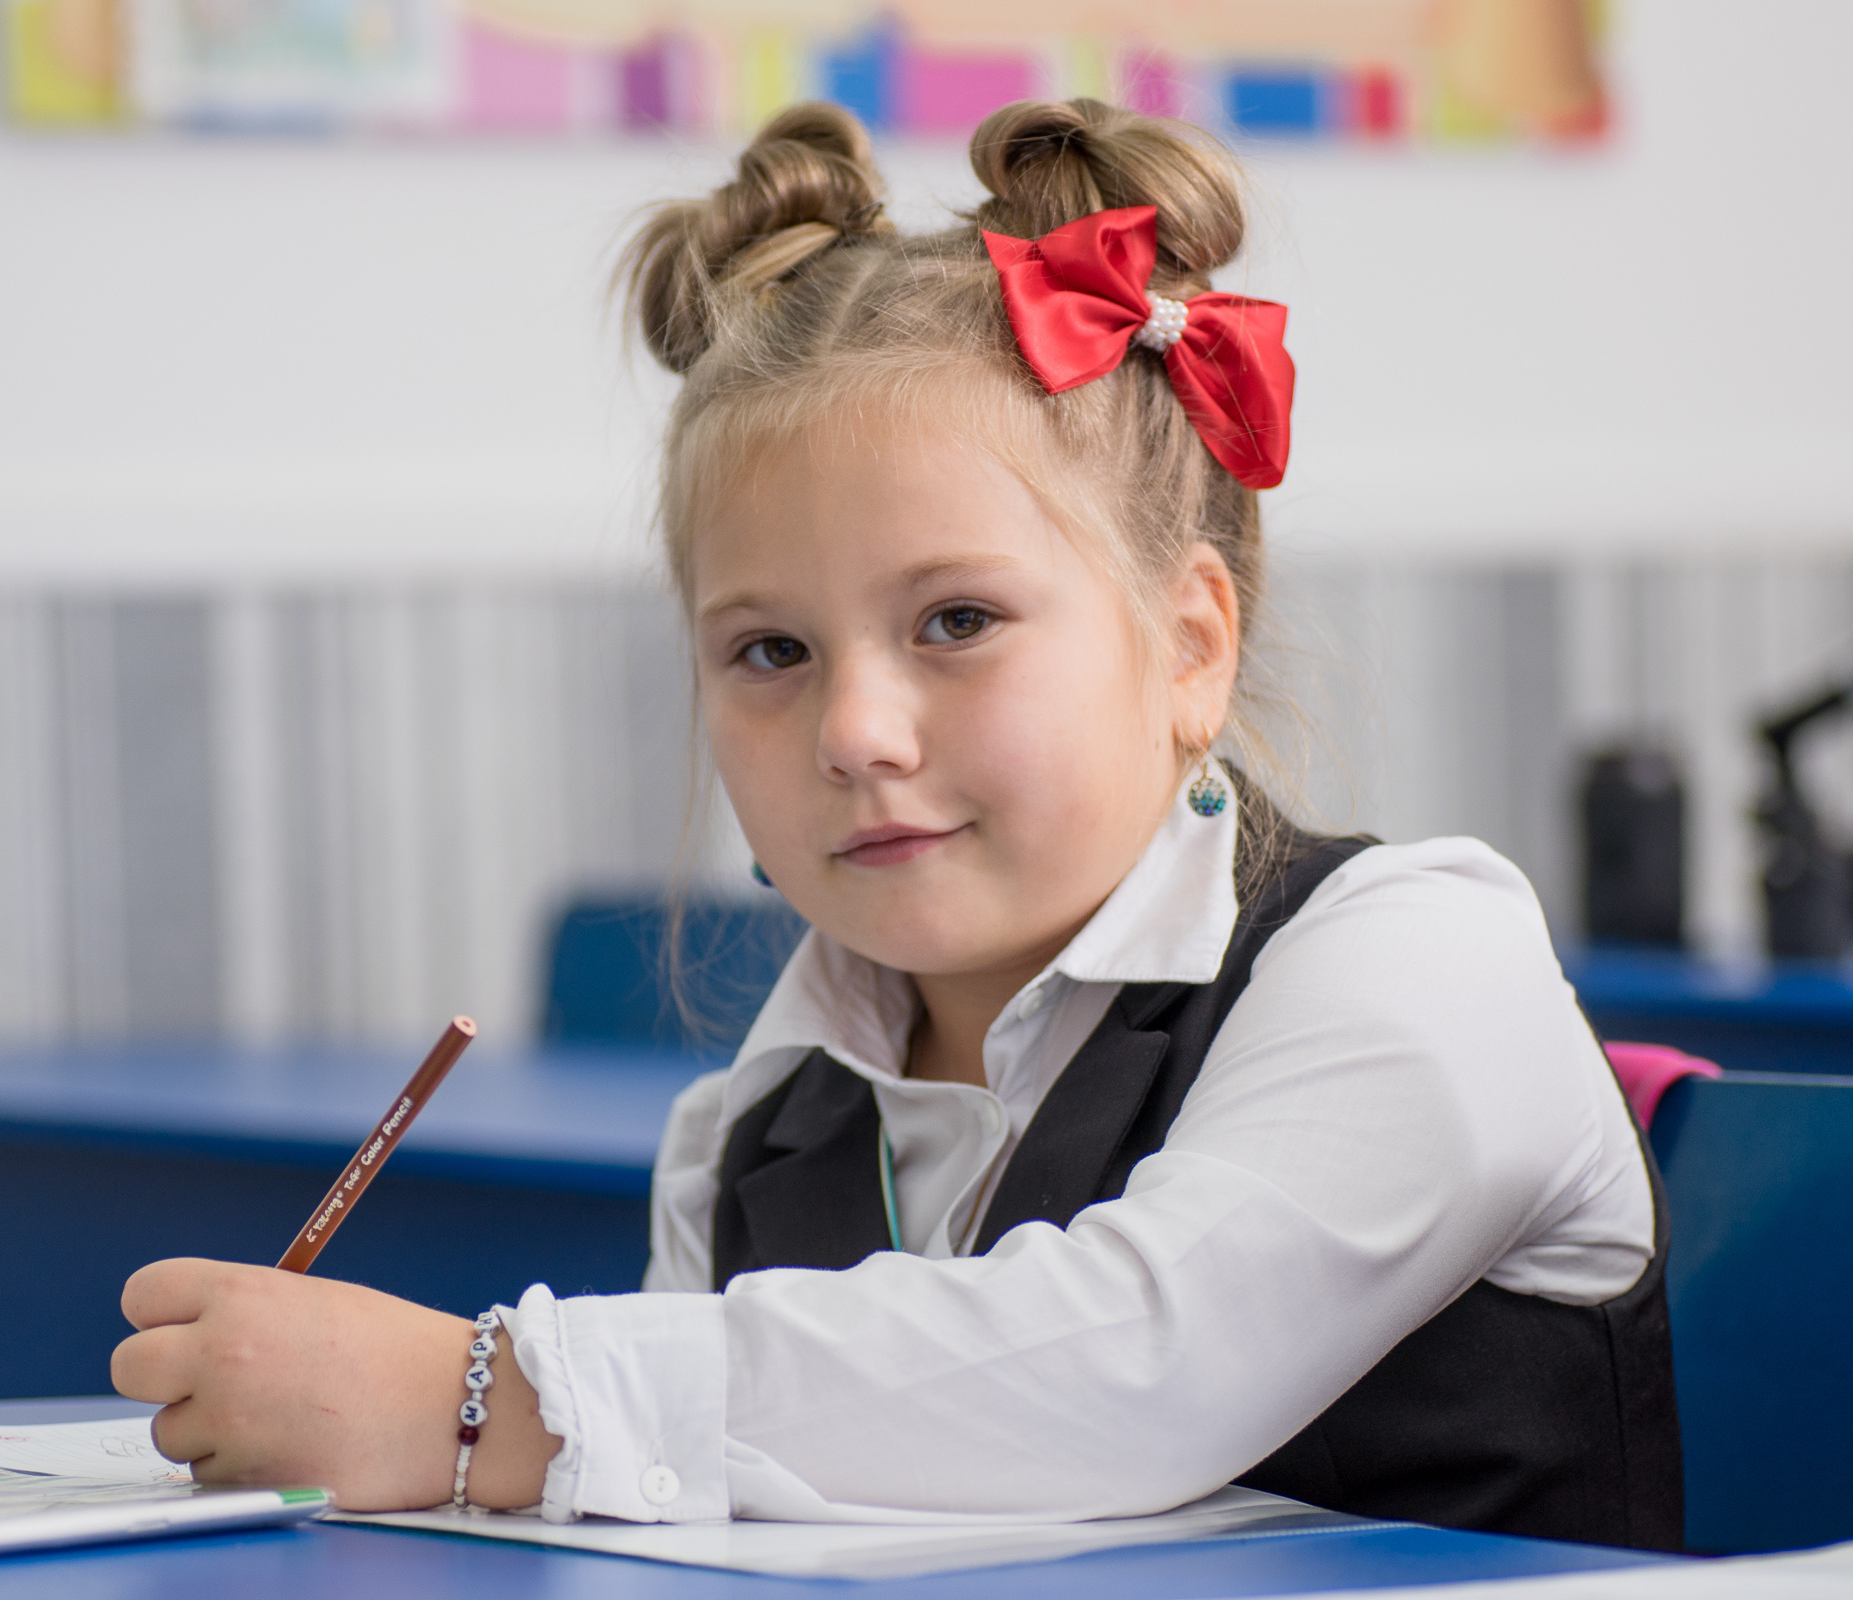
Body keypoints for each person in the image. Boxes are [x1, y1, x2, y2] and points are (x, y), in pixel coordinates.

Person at [110, 96, 1681, 1549]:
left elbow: (1133, 1372)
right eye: (769, 652)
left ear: (1194, 644)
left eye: (956, 622)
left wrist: (480, 1403)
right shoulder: (742, 1139)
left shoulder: (1420, 959)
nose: (855, 734)